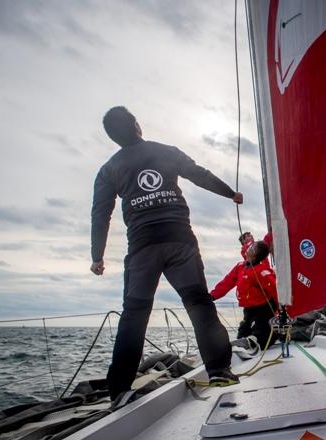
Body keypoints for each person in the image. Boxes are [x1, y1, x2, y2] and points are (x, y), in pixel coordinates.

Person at [90, 106, 243, 400]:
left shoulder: (109, 169)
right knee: (199, 304)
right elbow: (199, 174)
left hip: (142, 249)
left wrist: (97, 256)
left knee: (134, 315)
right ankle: (219, 372)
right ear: (137, 125)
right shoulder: (165, 151)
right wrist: (231, 193)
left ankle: (119, 391)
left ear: (113, 138)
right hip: (179, 243)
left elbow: (100, 214)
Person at [210, 239, 277, 359]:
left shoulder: (262, 272)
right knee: (243, 332)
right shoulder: (240, 267)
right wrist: (212, 296)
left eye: (253, 248)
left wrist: (280, 312)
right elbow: (227, 282)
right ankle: (242, 343)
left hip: (264, 309)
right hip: (249, 309)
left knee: (261, 332)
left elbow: (275, 290)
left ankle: (259, 340)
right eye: (251, 246)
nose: (250, 248)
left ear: (257, 254)